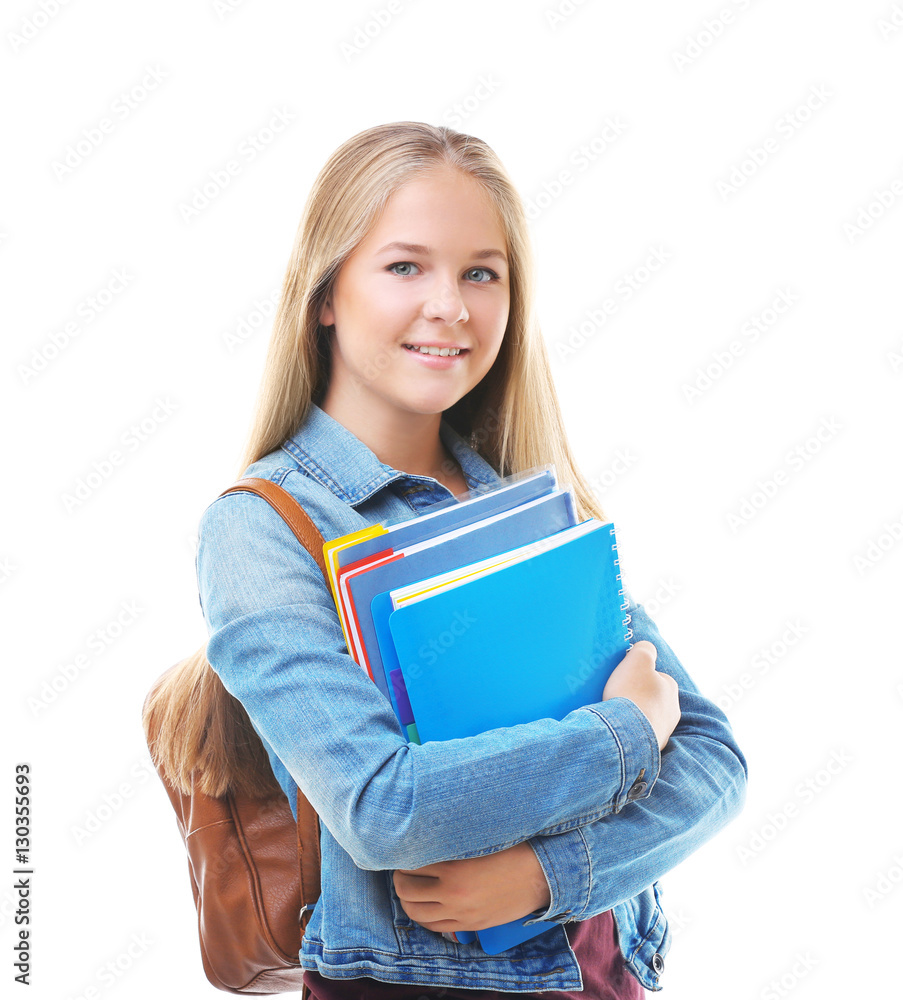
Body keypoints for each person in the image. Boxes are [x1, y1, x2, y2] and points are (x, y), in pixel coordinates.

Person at [165, 122, 747, 997]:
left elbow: (711, 757)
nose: (452, 306)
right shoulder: (261, 530)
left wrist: (553, 875)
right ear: (326, 294)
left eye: (482, 272)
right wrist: (623, 735)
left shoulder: (533, 507)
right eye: (405, 267)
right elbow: (385, 810)